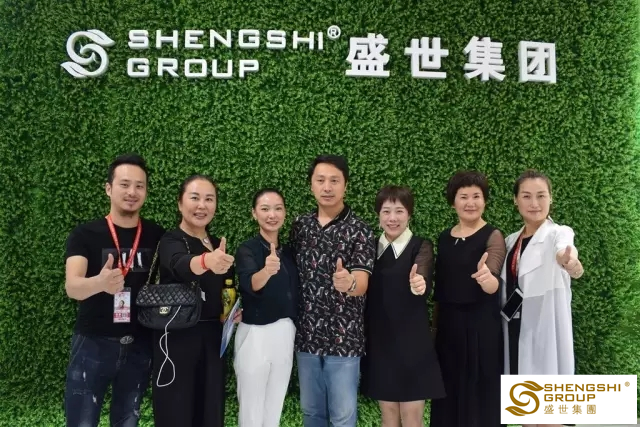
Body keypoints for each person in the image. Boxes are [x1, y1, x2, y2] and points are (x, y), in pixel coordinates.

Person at [64, 153, 165, 427]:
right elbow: (73, 286)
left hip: (139, 344)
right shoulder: (85, 234)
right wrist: (100, 283)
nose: (132, 192)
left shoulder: (157, 235)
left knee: (127, 421)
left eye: (139, 186)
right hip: (93, 344)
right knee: (82, 421)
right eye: (124, 184)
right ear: (108, 188)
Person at [289, 154, 376, 427]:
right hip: (306, 337)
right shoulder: (300, 226)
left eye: (334, 181)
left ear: (345, 186)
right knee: (311, 413)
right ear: (311, 185)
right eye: (321, 180)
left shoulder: (360, 230)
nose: (327, 187)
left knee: (343, 416)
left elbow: (362, 282)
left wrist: (349, 283)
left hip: (344, 339)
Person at [151, 174, 240, 427]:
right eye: (195, 198)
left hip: (213, 340)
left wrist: (232, 312)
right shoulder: (171, 240)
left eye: (209, 199)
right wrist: (206, 261)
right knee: (176, 411)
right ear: (180, 203)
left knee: (210, 411)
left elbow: (226, 287)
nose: (202, 205)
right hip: (175, 340)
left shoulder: (217, 243)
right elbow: (179, 264)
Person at [501, 170, 583, 427]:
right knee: (526, 412)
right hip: (515, 330)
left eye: (541, 196)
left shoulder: (558, 233)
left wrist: (570, 262)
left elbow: (565, 252)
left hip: (546, 328)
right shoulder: (510, 241)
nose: (534, 203)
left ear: (550, 198)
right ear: (516, 200)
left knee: (548, 412)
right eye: (526, 196)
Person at [360, 185, 445, 427]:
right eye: (386, 211)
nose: (393, 218)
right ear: (378, 215)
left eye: (399, 211)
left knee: (411, 416)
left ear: (409, 214)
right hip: (380, 342)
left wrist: (419, 283)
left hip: (413, 345)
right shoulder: (369, 248)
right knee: (388, 415)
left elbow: (423, 276)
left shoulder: (421, 246)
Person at [429, 171, 506, 427]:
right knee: (448, 395)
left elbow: (493, 279)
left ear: (485, 201)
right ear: (453, 202)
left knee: (480, 396)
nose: (470, 203)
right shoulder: (444, 237)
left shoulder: (493, 235)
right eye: (463, 197)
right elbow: (441, 287)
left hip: (481, 329)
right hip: (448, 330)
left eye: (476, 196)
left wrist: (487, 279)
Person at [233, 188, 299, 427]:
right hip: (255, 333)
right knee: (251, 408)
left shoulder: (289, 251)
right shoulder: (247, 249)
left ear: (285, 212)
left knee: (274, 405)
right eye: (265, 209)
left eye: (278, 208)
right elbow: (249, 283)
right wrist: (267, 271)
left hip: (285, 332)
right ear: (254, 213)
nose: (272, 214)